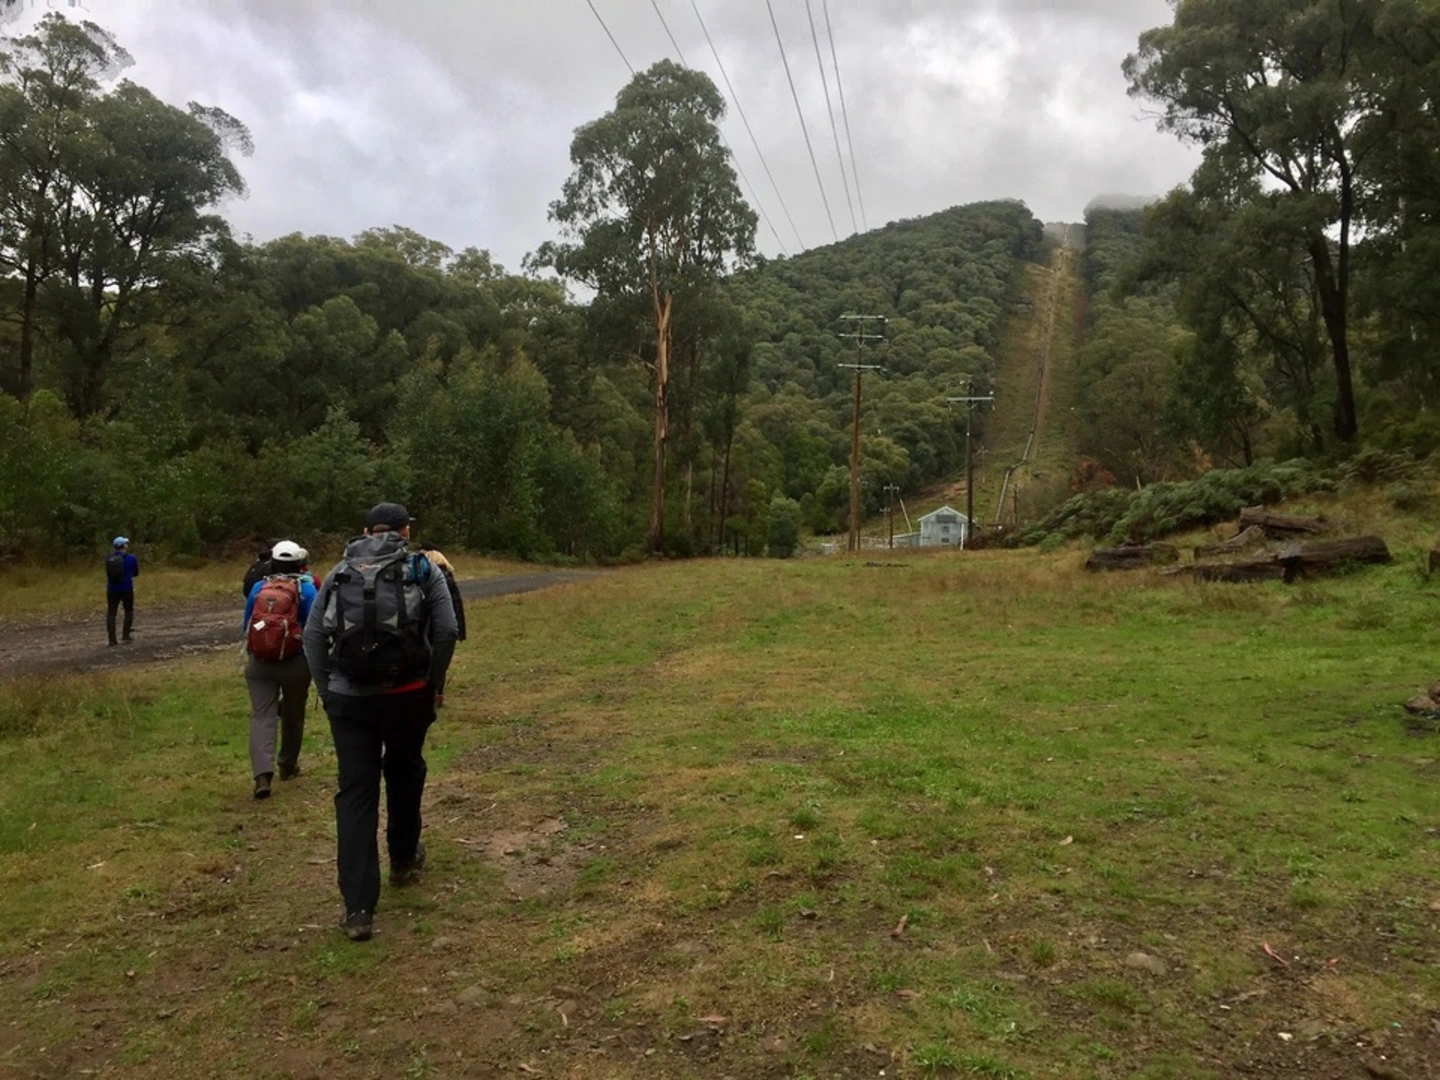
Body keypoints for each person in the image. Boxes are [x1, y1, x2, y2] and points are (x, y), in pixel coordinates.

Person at [303, 502, 457, 942]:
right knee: (406, 770)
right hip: (408, 695)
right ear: (407, 531)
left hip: (349, 701)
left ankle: (358, 909)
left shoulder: (338, 572)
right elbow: (445, 630)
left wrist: (328, 689)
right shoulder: (424, 570)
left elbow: (314, 635)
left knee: (355, 793)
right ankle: (404, 859)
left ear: (365, 530)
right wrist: (433, 682)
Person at [242, 540, 317, 800]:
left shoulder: (258, 588)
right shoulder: (306, 589)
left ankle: (262, 775)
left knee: (262, 715)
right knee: (294, 713)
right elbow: (316, 625)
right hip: (296, 661)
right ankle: (287, 764)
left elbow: (247, 624)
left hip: (260, 662)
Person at [417, 542, 466, 707]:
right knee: (440, 655)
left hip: (431, 623)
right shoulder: (448, 577)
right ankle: (438, 693)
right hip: (443, 622)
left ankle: (431, 691)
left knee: (429, 655)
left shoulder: (428, 577)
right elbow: (457, 605)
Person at [104, 536, 140, 647]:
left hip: (112, 589)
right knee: (128, 610)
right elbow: (136, 573)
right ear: (124, 546)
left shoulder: (109, 558)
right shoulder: (131, 558)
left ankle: (112, 639)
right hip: (126, 588)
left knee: (111, 613)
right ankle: (125, 635)